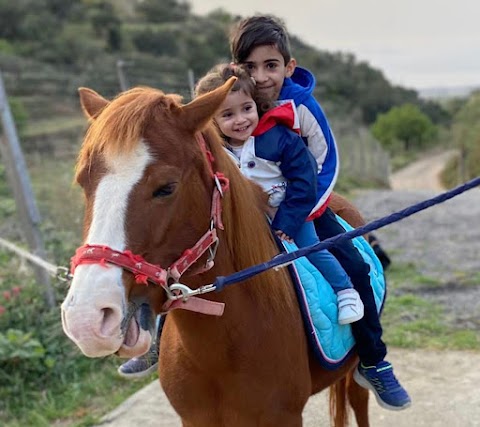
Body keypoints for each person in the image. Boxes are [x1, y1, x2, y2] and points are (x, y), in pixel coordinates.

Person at [118, 63, 365, 378]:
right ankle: (156, 343)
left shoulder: (280, 139)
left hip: (286, 212)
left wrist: (287, 223)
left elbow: (304, 183)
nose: (241, 120)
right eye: (228, 115)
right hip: (241, 222)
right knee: (185, 278)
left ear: (256, 106)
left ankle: (344, 290)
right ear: (214, 121)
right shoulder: (213, 151)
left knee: (310, 246)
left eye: (246, 109)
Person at [229, 14, 410, 411]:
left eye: (271, 66)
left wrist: (295, 218)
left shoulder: (301, 107)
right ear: (235, 69)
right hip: (244, 213)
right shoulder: (227, 106)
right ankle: (157, 336)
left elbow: (325, 164)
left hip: (304, 206)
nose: (260, 77)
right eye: (250, 67)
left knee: (356, 267)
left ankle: (374, 360)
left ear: (288, 67)